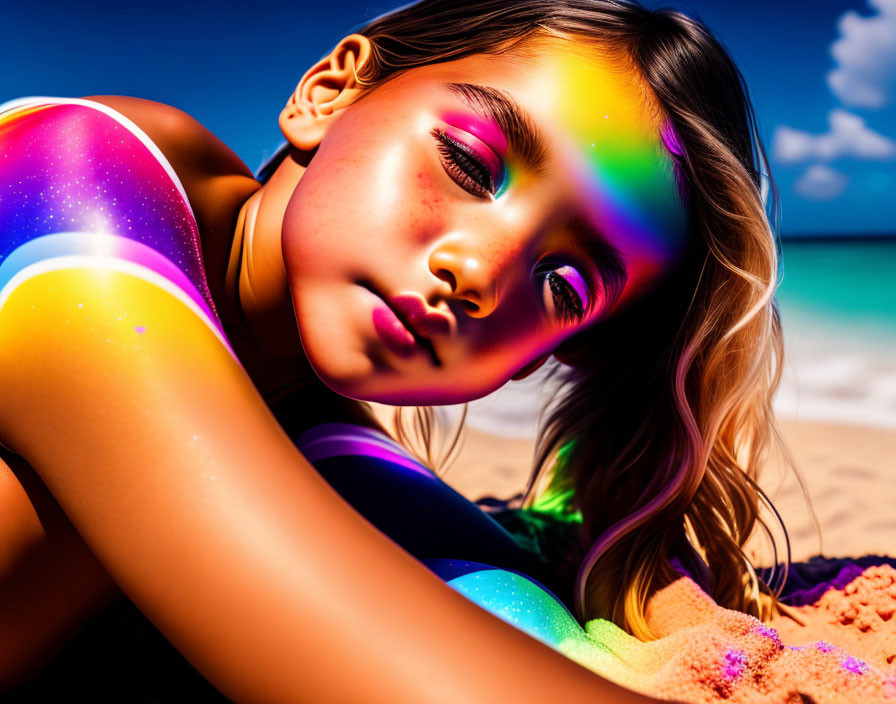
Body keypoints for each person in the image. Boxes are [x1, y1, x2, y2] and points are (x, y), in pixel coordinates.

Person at [0, 0, 790, 701]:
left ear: (540, 355)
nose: (479, 272)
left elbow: (495, 600)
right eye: (469, 165)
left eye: (565, 284)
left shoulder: (296, 419)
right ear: (330, 92)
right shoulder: (69, 186)